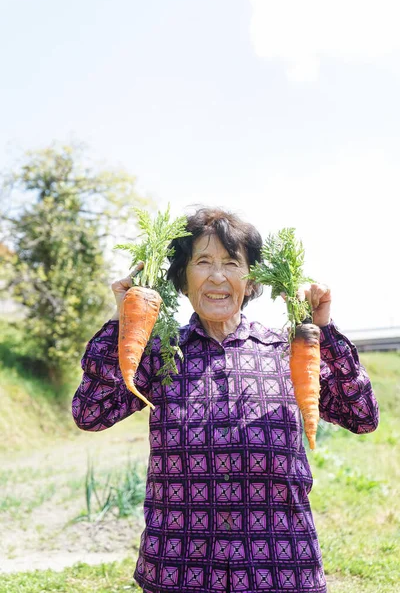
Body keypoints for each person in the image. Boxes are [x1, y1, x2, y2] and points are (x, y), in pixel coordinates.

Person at [72, 207, 379, 593]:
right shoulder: (160, 353)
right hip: (180, 570)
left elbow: (361, 414)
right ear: (183, 279)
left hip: (281, 567)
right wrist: (122, 322)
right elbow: (90, 412)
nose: (218, 276)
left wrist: (323, 330)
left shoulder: (286, 351)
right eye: (202, 261)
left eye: (232, 263)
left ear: (250, 281)